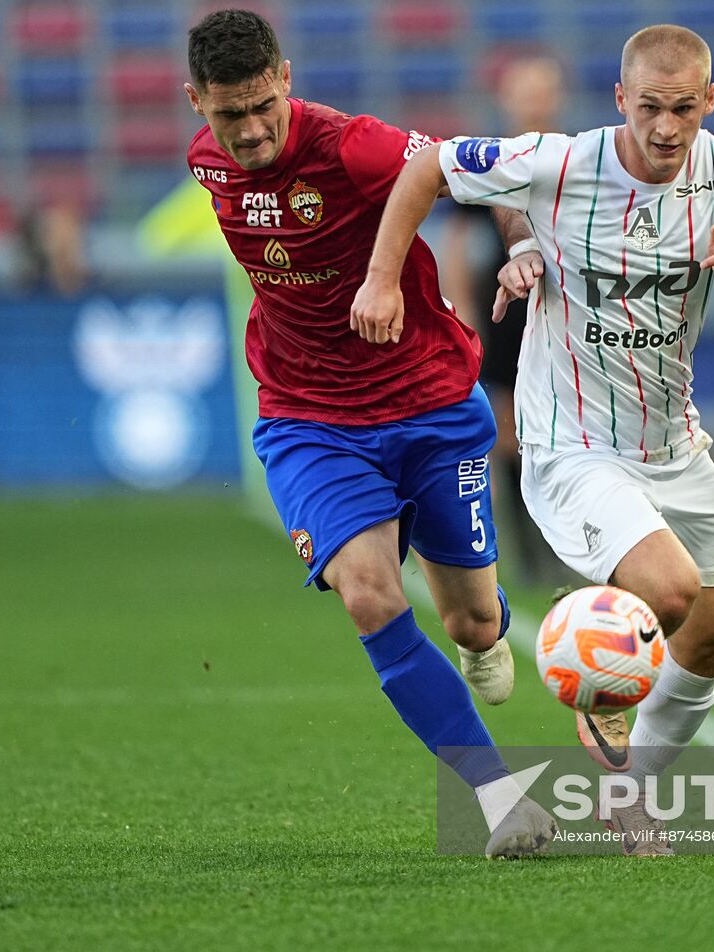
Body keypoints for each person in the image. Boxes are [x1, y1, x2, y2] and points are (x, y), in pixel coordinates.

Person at [353, 24, 714, 856]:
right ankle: (591, 671)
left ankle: (630, 793)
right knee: (668, 590)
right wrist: (384, 279)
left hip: (674, 441)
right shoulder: (561, 162)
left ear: (709, 102)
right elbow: (427, 166)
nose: (667, 128)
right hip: (573, 443)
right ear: (622, 100)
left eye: (685, 109)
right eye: (652, 108)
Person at [183, 9, 554, 857]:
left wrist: (515, 244)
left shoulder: (349, 144)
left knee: (470, 624)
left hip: (426, 402)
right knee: (370, 592)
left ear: (285, 78)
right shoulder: (207, 164)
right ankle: (499, 797)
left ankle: (485, 627)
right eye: (227, 113)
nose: (248, 131)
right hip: (309, 419)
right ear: (195, 101)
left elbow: (446, 168)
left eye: (261, 107)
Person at [438, 54, 568, 587]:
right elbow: (458, 238)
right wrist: (461, 305)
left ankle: (570, 538)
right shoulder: (493, 161)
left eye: (542, 91)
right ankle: (530, 551)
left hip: (567, 310)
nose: (534, 102)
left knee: (567, 430)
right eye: (524, 92)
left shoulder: (575, 158)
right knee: (509, 434)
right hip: (508, 310)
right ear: (507, 100)